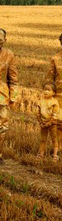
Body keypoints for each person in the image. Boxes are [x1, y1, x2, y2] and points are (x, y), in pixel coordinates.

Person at [0, 28, 18, 163]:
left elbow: (13, 78)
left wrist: (13, 96)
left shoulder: (9, 55)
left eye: (1, 37)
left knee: (2, 125)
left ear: (5, 40)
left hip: (2, 94)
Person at [37, 83, 61, 160]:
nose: (46, 91)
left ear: (53, 93)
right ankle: (41, 154)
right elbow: (37, 113)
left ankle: (55, 155)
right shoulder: (40, 101)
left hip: (52, 124)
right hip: (43, 123)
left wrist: (49, 123)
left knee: (54, 139)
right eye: (45, 89)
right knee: (43, 139)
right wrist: (41, 122)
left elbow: (55, 114)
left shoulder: (54, 102)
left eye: (49, 90)